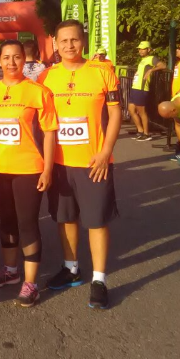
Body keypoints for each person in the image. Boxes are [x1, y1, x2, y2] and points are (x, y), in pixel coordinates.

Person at [38, 20, 121, 311]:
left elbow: (115, 113)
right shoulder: (46, 77)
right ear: (55, 45)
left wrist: (106, 151)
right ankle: (71, 267)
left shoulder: (102, 72)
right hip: (60, 163)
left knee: (96, 221)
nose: (69, 45)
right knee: (65, 218)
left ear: (82, 42)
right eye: (63, 41)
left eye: (74, 40)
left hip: (93, 162)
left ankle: (99, 279)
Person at [0, 40, 57, 307]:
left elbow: (49, 134)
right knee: (6, 220)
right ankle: (11, 271)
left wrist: (47, 169)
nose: (11, 62)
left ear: (25, 60)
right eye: (6, 57)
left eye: (16, 57)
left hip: (28, 169)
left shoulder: (38, 92)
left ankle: (31, 283)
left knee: (27, 224)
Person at [128, 41, 166, 142]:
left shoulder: (152, 58)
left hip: (142, 88)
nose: (140, 50)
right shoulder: (142, 60)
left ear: (148, 49)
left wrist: (151, 70)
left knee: (142, 112)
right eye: (139, 49)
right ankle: (140, 131)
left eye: (143, 49)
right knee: (131, 110)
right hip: (135, 87)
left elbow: (163, 65)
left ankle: (146, 133)